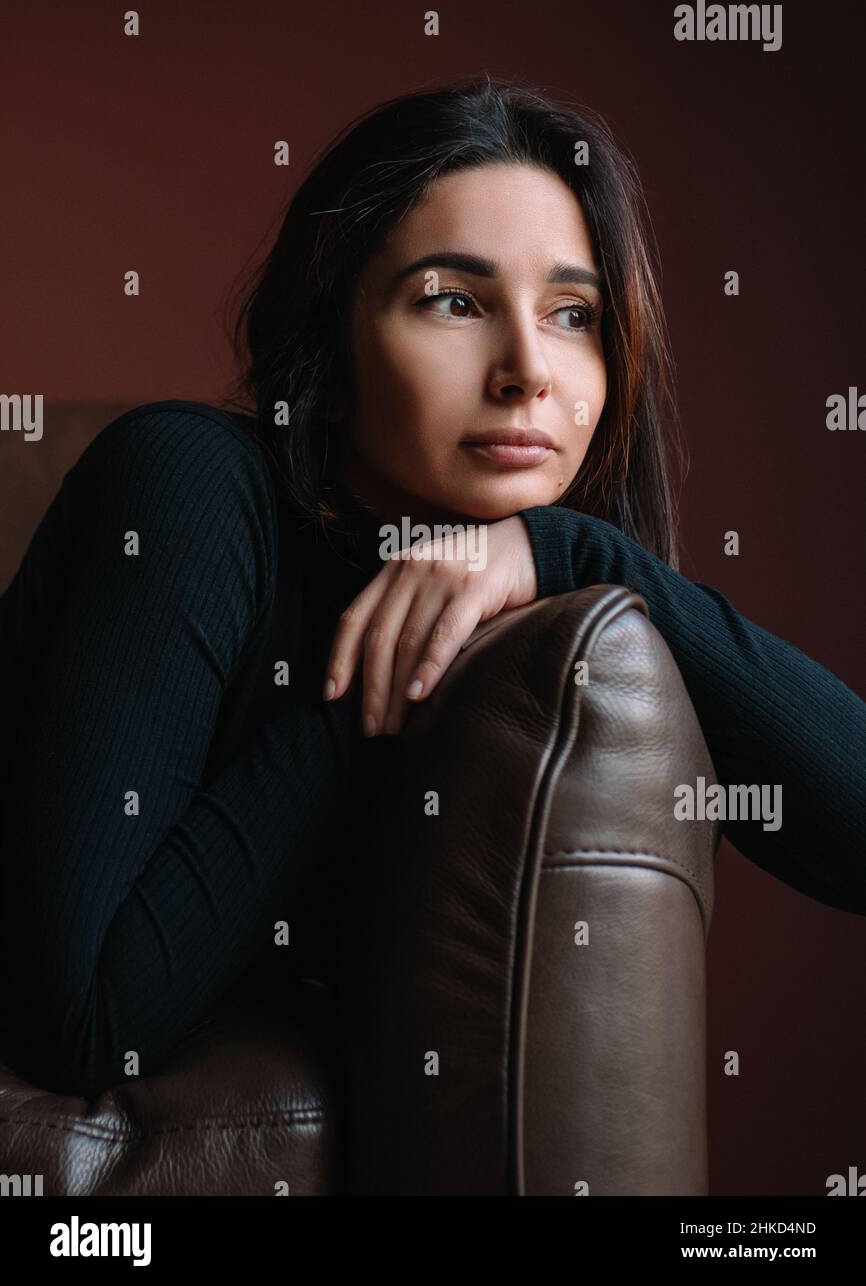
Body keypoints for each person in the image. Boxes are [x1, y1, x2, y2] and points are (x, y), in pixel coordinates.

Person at [1, 77, 864, 1100]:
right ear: (331, 347)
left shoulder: (560, 594)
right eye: (451, 301)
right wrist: (396, 667)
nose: (525, 369)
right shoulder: (187, 483)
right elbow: (84, 1023)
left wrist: (568, 553)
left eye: (571, 312)